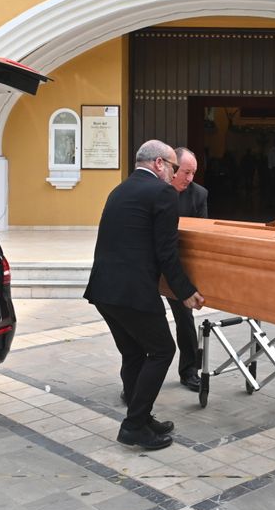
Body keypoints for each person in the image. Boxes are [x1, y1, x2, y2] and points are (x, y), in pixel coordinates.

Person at [83, 140, 204, 451]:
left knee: (135, 353)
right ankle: (134, 425)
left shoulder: (119, 189)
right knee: (163, 350)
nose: (175, 174)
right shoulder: (162, 193)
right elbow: (167, 253)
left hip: (103, 290)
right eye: (174, 167)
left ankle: (142, 416)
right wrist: (186, 292)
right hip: (132, 291)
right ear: (159, 164)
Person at [168, 146, 208, 392]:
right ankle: (134, 378)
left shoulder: (198, 194)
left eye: (193, 173)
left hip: (179, 267)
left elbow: (201, 235)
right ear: (172, 169)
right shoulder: (156, 191)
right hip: (152, 266)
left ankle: (189, 370)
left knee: (185, 317)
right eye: (186, 172)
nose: (190, 178)